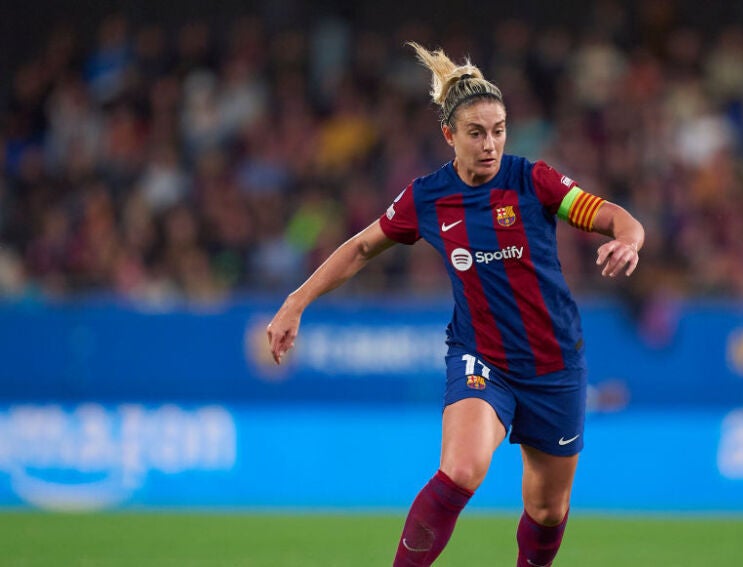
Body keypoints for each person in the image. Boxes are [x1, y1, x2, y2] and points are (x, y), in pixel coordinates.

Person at [266, 42, 644, 567]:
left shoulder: (533, 180)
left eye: (499, 131)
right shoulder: (427, 197)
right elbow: (360, 248)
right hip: (481, 357)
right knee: (462, 470)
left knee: (547, 510)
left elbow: (616, 216)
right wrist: (296, 301)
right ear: (449, 135)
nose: (490, 145)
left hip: (554, 364)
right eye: (476, 133)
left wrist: (629, 240)